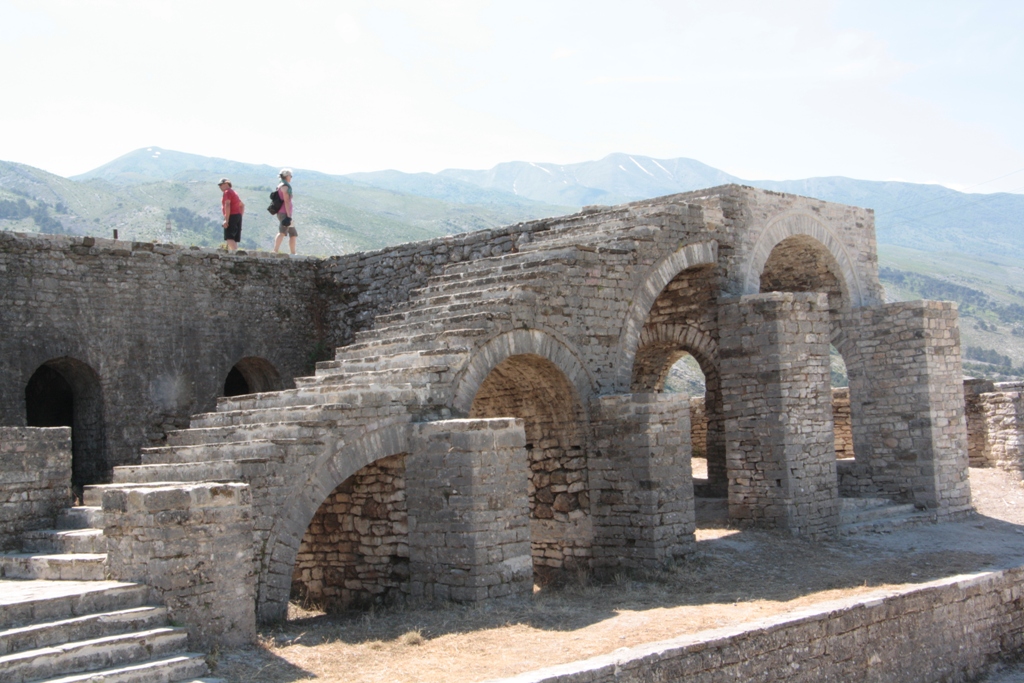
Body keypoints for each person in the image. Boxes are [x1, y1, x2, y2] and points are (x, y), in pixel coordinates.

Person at [273, 168, 297, 254]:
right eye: (290, 176)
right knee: (282, 232)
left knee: (293, 233)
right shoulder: (285, 186)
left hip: (285, 212)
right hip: (284, 213)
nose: (291, 177)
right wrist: (288, 216)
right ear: (287, 176)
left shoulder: (280, 185)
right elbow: (286, 201)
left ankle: (293, 253)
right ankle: (275, 251)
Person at [218, 178, 244, 251]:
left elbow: (227, 204)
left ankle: (235, 255)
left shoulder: (227, 192)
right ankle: (235, 253)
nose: (219, 187)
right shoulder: (234, 192)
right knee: (234, 239)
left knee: (229, 237)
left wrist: (226, 220)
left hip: (231, 215)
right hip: (237, 215)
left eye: (220, 184)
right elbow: (242, 205)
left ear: (226, 184)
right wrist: (240, 216)